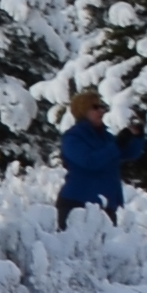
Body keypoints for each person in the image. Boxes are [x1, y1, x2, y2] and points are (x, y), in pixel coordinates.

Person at [54, 87, 128, 225]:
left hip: (106, 206)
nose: (101, 111)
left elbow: (128, 154)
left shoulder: (106, 137)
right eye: (95, 107)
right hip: (77, 204)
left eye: (102, 107)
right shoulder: (72, 138)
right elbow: (90, 161)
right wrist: (116, 146)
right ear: (83, 111)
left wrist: (135, 136)